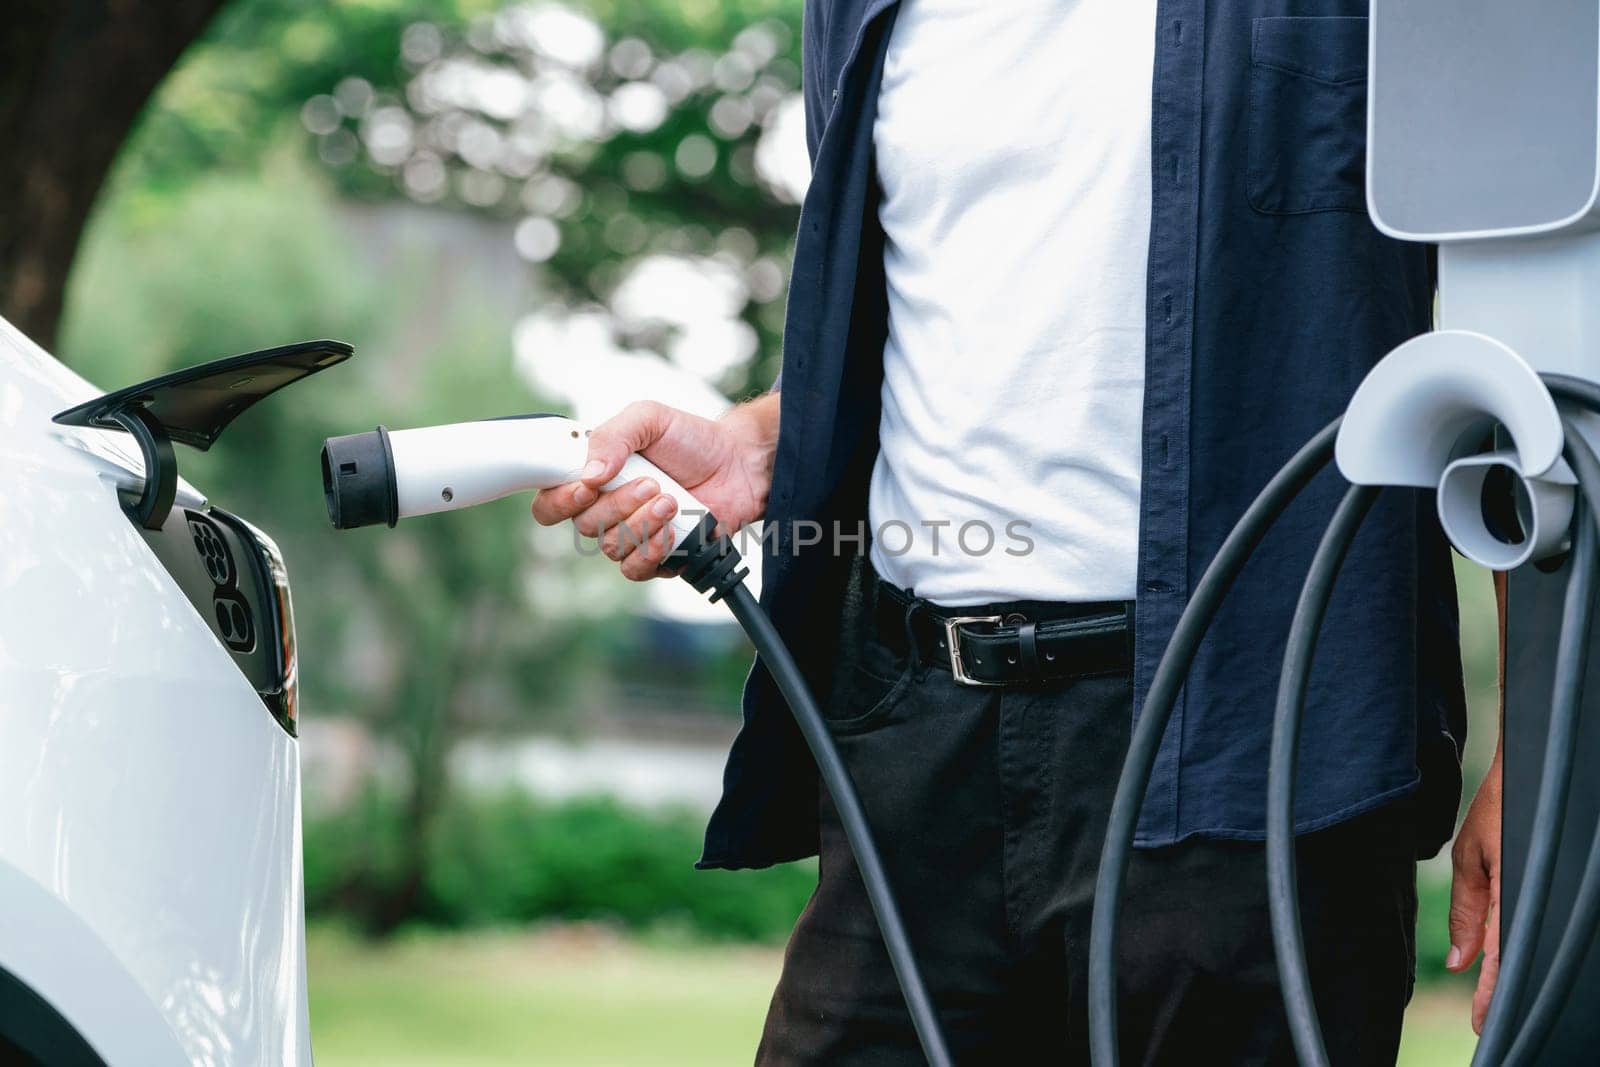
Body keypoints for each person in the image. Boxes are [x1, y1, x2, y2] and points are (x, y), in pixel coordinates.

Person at [533, 1, 1503, 1062]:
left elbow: (1519, 351)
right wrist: (761, 441)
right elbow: (965, 304)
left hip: (1249, 742)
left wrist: (1547, 743)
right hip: (915, 743)